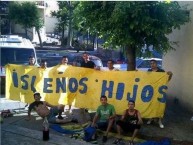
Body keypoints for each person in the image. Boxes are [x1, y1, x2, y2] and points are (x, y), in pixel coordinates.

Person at [146, 59, 173, 128]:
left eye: (153, 63)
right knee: (151, 105)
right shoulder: (149, 71)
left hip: (159, 92)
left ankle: (159, 121)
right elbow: (144, 79)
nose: (152, 65)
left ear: (156, 64)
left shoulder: (161, 71)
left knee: (159, 105)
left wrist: (170, 75)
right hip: (151, 91)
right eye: (151, 63)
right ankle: (150, 118)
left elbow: (167, 79)